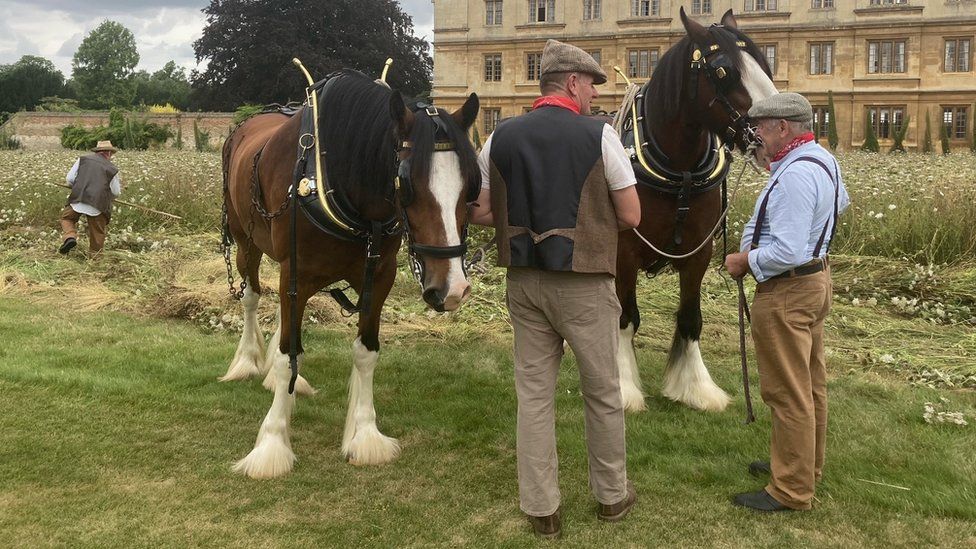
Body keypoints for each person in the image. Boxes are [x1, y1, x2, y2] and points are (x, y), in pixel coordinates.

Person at [468, 39, 642, 538]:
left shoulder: (498, 138)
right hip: (584, 283)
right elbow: (631, 214)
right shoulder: (600, 136)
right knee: (603, 393)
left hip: (524, 281)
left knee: (534, 396)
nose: (592, 96)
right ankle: (611, 496)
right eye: (590, 85)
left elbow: (479, 211)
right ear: (571, 82)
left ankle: (541, 508)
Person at [724, 93, 850, 512]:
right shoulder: (818, 160)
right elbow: (840, 204)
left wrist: (745, 259)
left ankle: (791, 490)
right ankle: (801, 466)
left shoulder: (795, 175)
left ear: (783, 127)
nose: (756, 135)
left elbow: (789, 250)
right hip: (813, 283)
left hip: (788, 291)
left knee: (787, 391)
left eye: (761, 127)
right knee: (810, 385)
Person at [59, 140, 122, 255]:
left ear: (97, 151)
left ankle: (70, 237)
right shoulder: (112, 169)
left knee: (67, 218)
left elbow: (70, 179)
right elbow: (116, 192)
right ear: (108, 153)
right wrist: (110, 197)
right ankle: (95, 260)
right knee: (97, 233)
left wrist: (79, 186)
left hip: (79, 199)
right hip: (98, 205)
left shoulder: (82, 160)